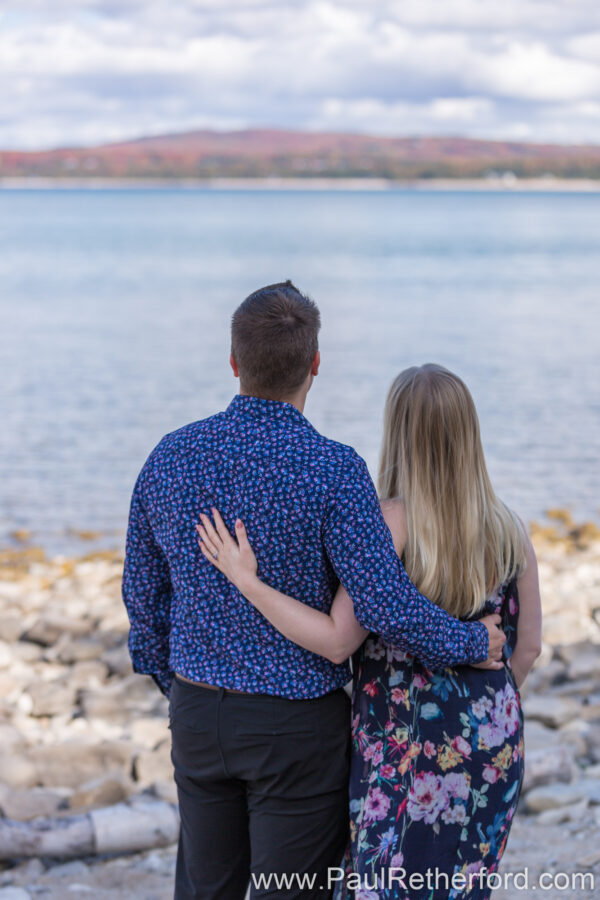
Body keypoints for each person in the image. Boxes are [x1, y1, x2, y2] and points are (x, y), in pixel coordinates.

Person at [122, 283, 506, 900]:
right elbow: (384, 602)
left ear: (233, 361)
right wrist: (468, 640)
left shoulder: (169, 458)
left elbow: (144, 598)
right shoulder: (333, 468)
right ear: (316, 364)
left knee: (204, 889)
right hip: (294, 727)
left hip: (198, 714)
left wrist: (179, 684)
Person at [197, 363, 542, 900]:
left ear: (398, 432)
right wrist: (482, 703)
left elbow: (336, 638)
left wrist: (251, 583)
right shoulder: (509, 528)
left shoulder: (388, 523)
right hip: (493, 738)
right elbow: (530, 647)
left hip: (402, 742)